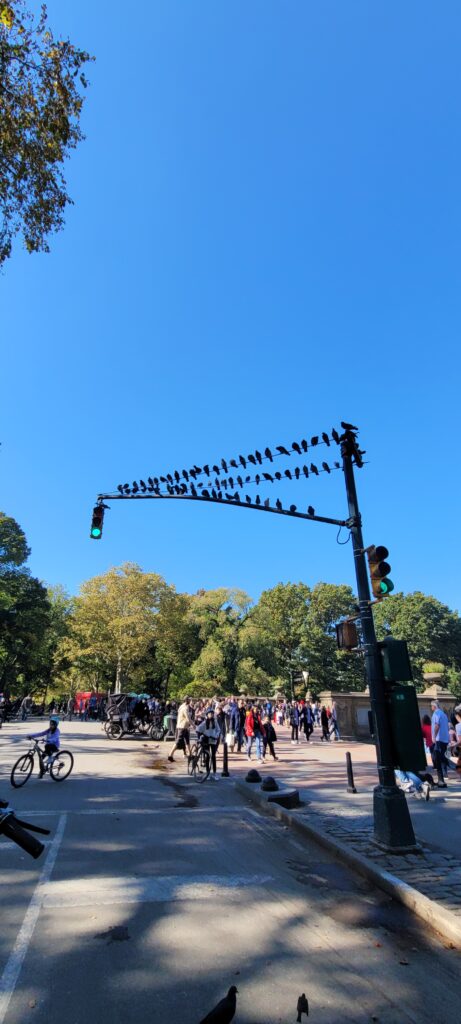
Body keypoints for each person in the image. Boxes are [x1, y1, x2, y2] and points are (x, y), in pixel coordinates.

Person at [196, 709, 221, 779]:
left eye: (212, 714)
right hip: (206, 740)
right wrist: (200, 736)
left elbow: (218, 730)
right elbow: (198, 729)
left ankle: (214, 773)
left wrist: (216, 735)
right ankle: (207, 772)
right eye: (209, 714)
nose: (211, 715)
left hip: (213, 740)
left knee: (213, 756)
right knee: (207, 756)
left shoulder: (215, 722)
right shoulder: (204, 723)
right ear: (207, 715)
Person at [431, 699, 450, 787]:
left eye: (431, 706)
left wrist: (434, 736)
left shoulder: (436, 714)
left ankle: (441, 780)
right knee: (442, 758)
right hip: (445, 739)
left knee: (437, 759)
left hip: (439, 739)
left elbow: (437, 725)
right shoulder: (444, 715)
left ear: (434, 706)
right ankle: (441, 778)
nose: (431, 708)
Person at [168, 697, 192, 762]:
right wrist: (193, 725)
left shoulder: (181, 706)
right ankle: (170, 755)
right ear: (188, 701)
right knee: (178, 742)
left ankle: (190, 754)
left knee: (187, 740)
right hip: (182, 727)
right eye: (190, 700)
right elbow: (188, 718)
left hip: (184, 726)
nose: (191, 701)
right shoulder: (185, 708)